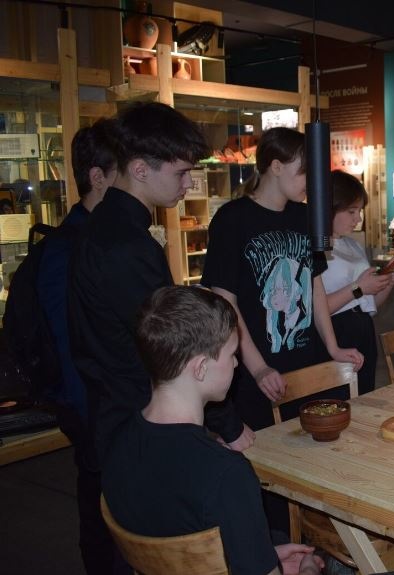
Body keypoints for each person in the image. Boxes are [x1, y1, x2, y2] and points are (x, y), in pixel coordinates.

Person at [68, 102, 248, 574]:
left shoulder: (105, 227)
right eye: (182, 172)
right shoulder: (124, 244)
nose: (188, 184)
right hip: (134, 418)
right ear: (140, 169)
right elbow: (177, 344)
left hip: (117, 410)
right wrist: (228, 425)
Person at [102, 286, 324, 575]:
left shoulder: (117, 446)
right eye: (231, 354)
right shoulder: (226, 474)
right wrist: (308, 570)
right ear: (200, 368)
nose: (236, 363)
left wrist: (262, 554)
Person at [201, 127, 364, 432]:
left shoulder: (305, 216)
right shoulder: (232, 218)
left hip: (307, 361)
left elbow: (314, 286)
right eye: (304, 172)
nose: (310, 183)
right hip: (256, 368)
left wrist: (332, 346)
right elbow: (225, 301)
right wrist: (259, 368)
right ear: (276, 167)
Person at [36, 119, 118, 572]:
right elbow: (66, 344)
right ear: (98, 177)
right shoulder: (68, 248)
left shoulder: (101, 236)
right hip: (93, 407)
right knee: (101, 513)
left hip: (105, 404)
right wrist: (91, 423)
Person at [322, 170, 394, 395]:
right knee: (338, 398)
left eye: (360, 211)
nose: (358, 219)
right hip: (334, 332)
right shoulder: (316, 247)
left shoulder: (353, 245)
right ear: (330, 206)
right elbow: (317, 308)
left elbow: (370, 303)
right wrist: (358, 288)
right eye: (351, 211)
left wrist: (389, 280)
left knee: (364, 394)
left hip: (363, 329)